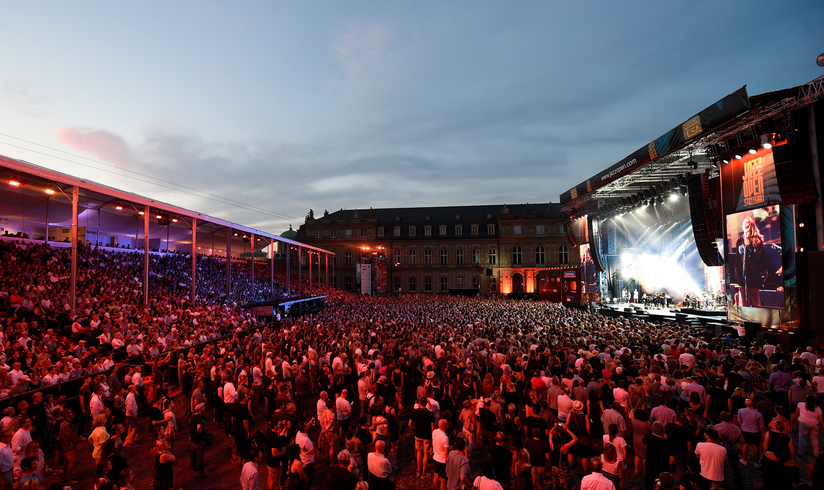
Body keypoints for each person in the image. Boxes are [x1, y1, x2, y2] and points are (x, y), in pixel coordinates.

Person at [410, 397, 435, 478]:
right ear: (426, 403)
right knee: (426, 454)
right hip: (427, 436)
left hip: (418, 434)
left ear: (419, 403)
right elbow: (432, 427)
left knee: (418, 452)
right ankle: (424, 472)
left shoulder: (414, 411)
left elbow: (409, 423)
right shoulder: (430, 414)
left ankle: (418, 470)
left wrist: (413, 430)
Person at [189, 402, 207, 475]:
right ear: (200, 409)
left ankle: (193, 467)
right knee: (200, 454)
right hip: (198, 439)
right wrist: (200, 431)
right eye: (203, 407)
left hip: (193, 438)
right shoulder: (199, 417)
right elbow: (199, 427)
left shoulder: (192, 416)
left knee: (193, 453)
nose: (204, 408)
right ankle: (201, 470)